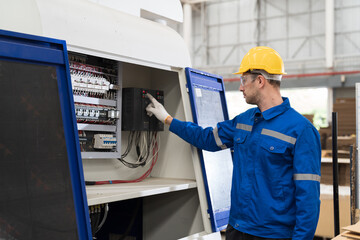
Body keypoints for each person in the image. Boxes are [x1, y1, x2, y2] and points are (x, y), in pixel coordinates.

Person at [146, 46, 321, 240]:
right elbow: (207, 139)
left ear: (260, 81)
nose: (240, 87)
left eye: (244, 80)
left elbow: (308, 199)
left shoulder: (301, 130)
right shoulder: (244, 121)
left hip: (273, 235)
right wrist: (168, 119)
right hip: (237, 230)